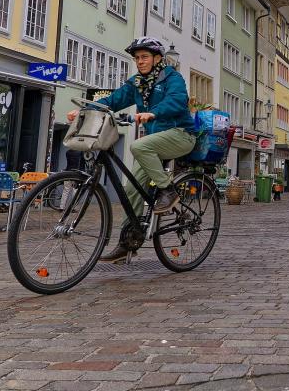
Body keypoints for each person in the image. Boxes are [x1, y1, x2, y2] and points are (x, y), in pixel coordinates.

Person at [66, 37, 196, 262]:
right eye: (137, 58)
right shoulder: (137, 83)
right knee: (132, 189)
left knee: (138, 145)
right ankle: (128, 243)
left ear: (157, 58)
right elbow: (113, 100)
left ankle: (168, 191)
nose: (140, 62)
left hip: (181, 135)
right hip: (154, 142)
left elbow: (177, 100)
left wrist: (154, 112)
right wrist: (85, 110)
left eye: (145, 57)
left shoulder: (172, 78)